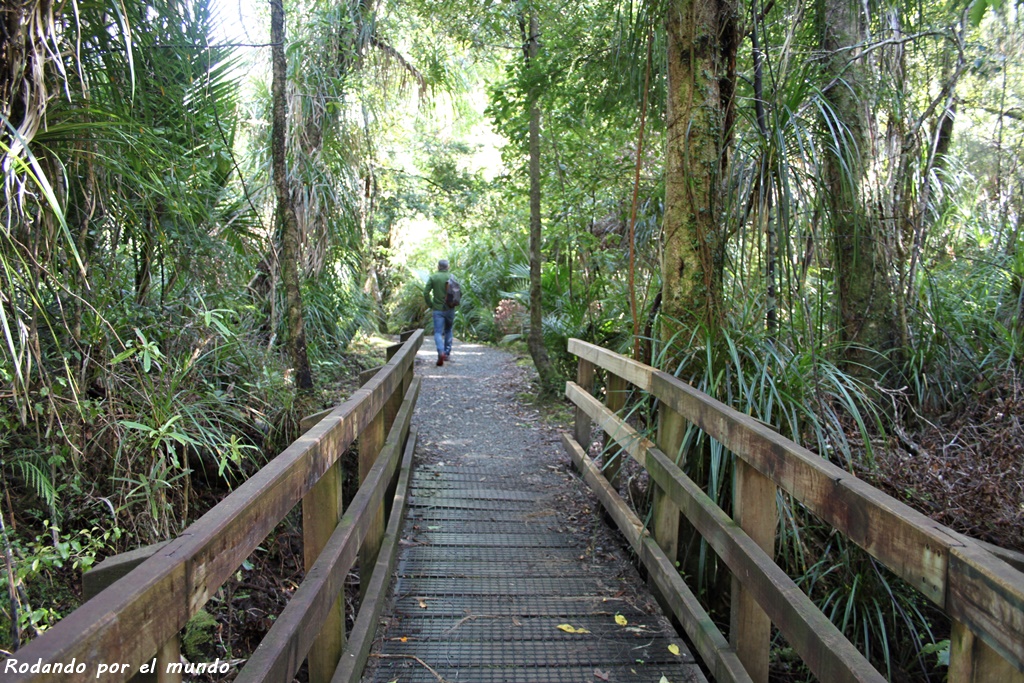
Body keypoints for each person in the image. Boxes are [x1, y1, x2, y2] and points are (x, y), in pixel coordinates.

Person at [424, 259, 455, 366]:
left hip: (437, 309)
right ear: (447, 267)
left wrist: (430, 304)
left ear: (438, 267)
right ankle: (446, 354)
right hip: (450, 308)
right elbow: (460, 292)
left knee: (437, 332)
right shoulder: (451, 277)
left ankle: (440, 351)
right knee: (448, 330)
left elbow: (425, 293)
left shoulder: (433, 277)